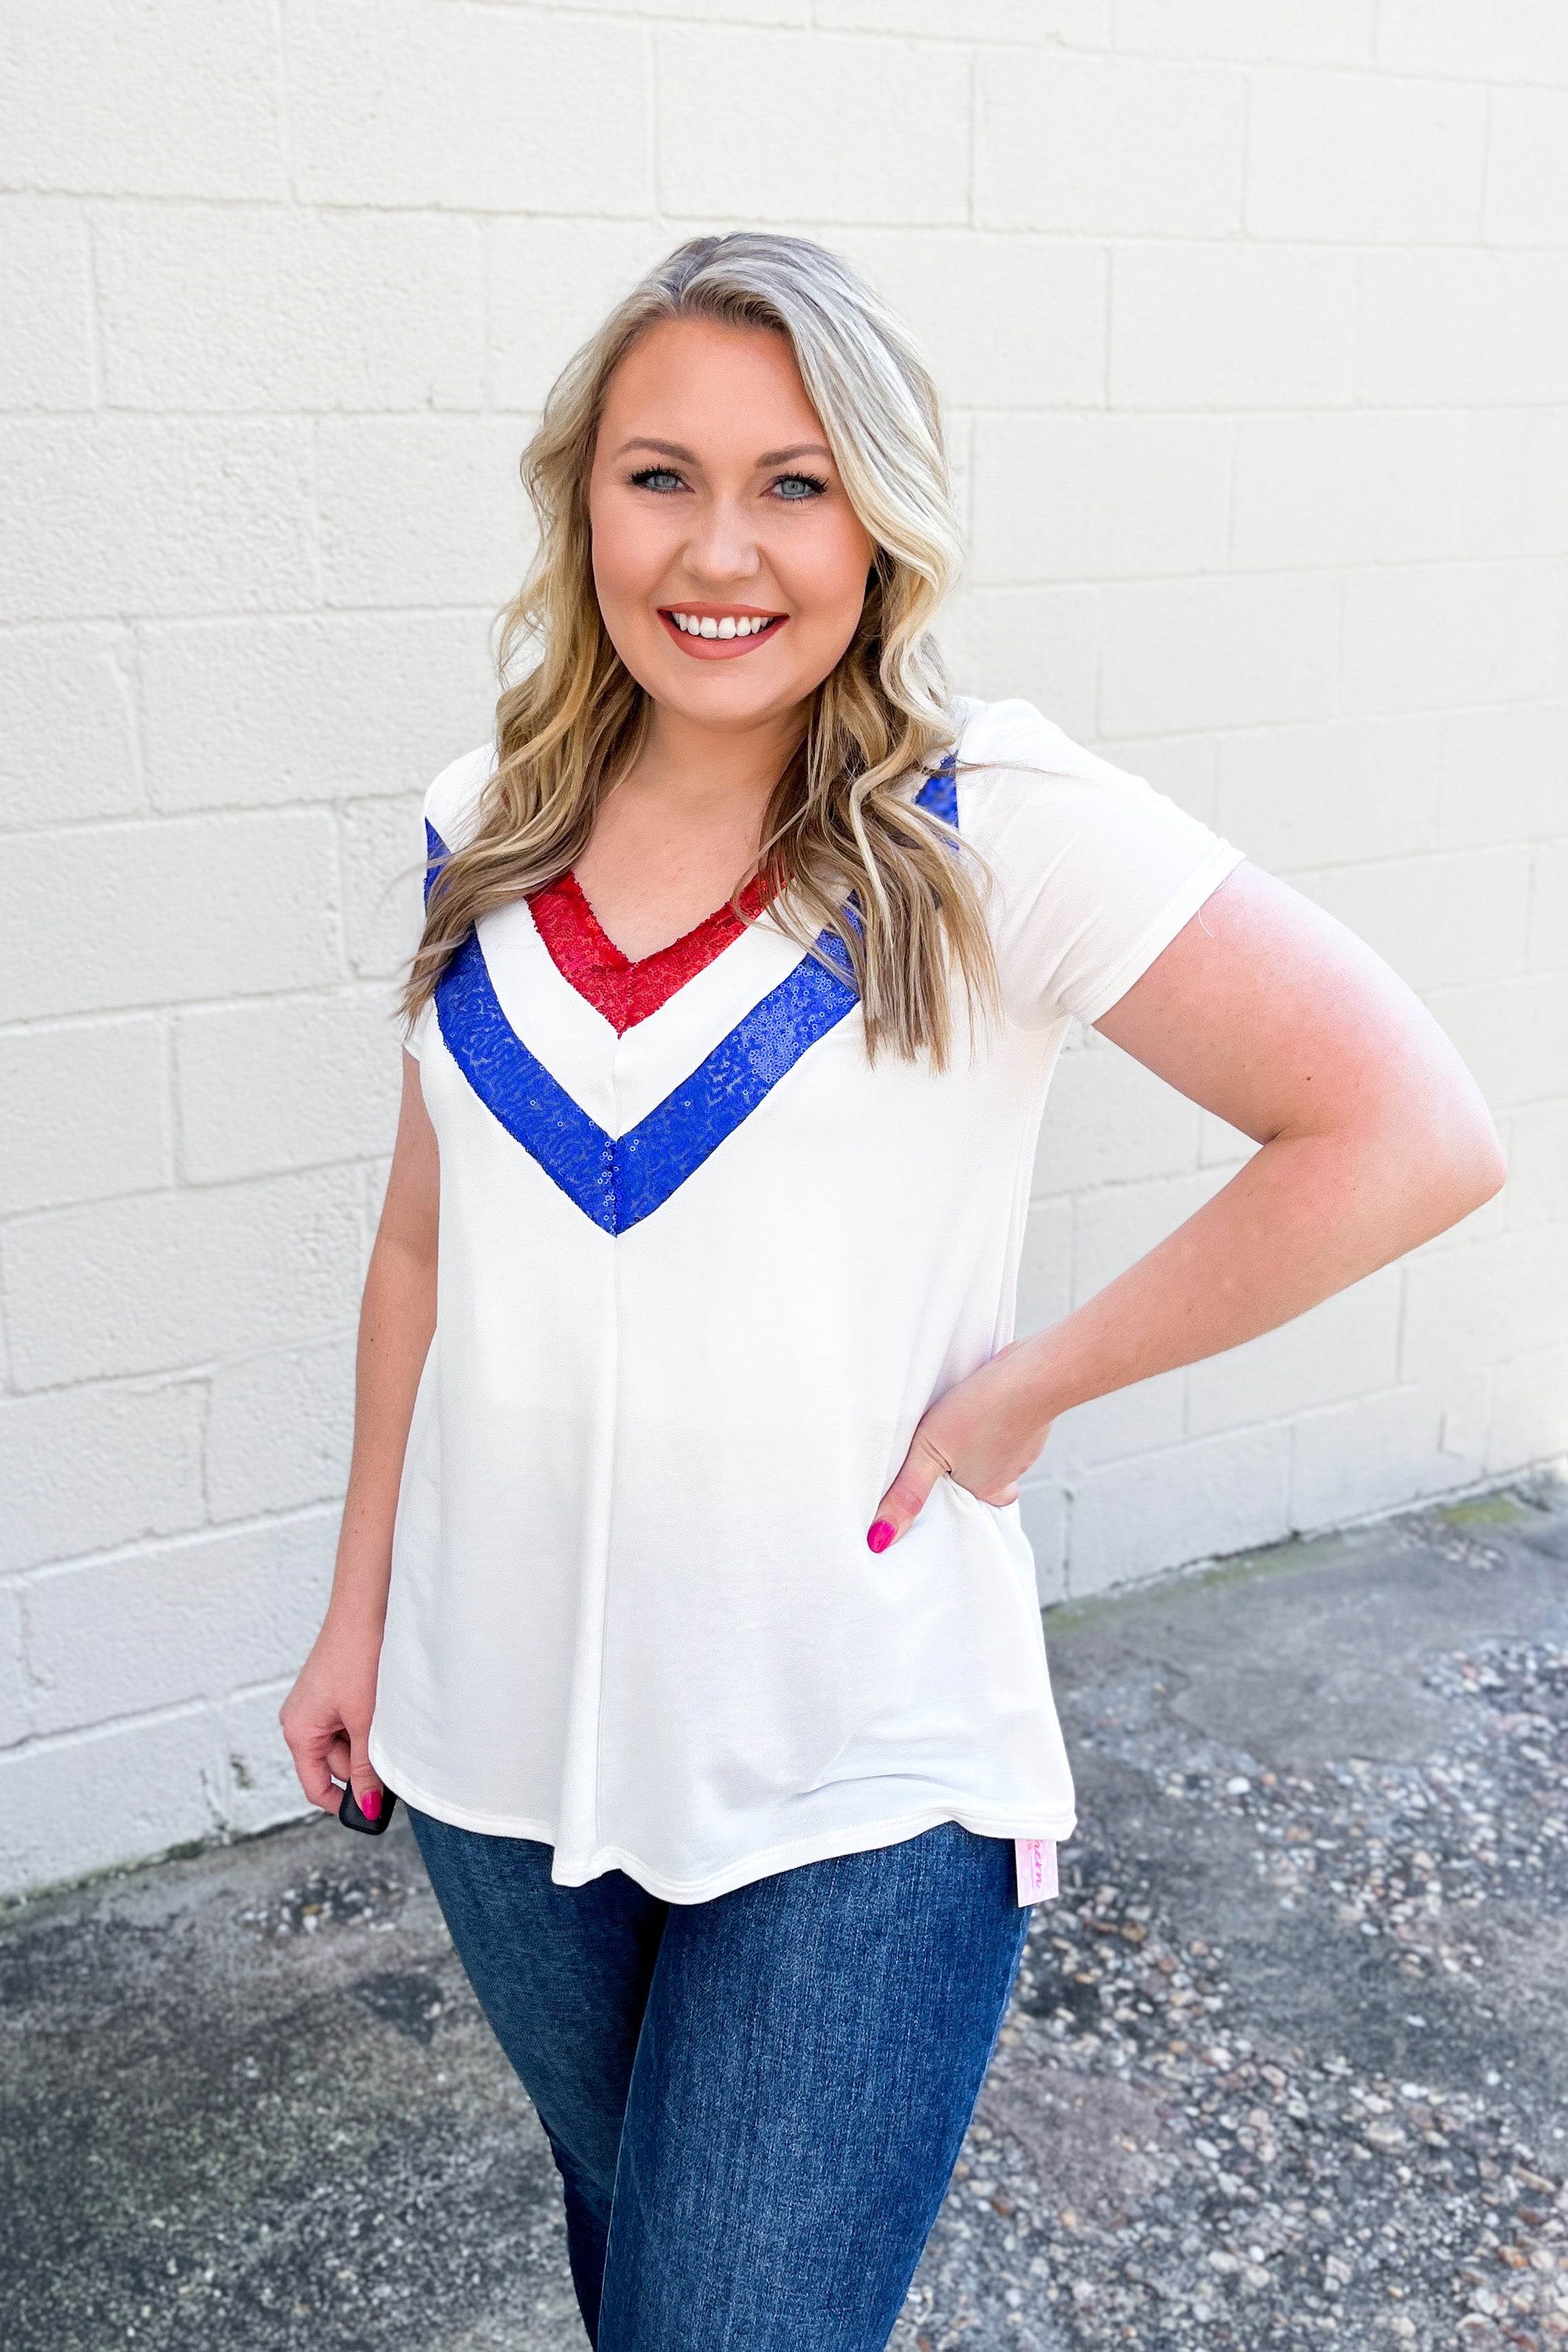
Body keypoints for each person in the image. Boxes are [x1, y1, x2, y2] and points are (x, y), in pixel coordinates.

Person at [280, 234, 1504, 2352]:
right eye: (662, 476)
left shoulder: (980, 823)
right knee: (635, 2234)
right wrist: (357, 1606)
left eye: (798, 481)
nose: (720, 548)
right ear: (583, 501)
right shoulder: (480, 823)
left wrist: (1034, 1389)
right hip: (492, 1750)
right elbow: (422, 1247)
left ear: (882, 521)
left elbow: (1407, 1129)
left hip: (852, 1768)